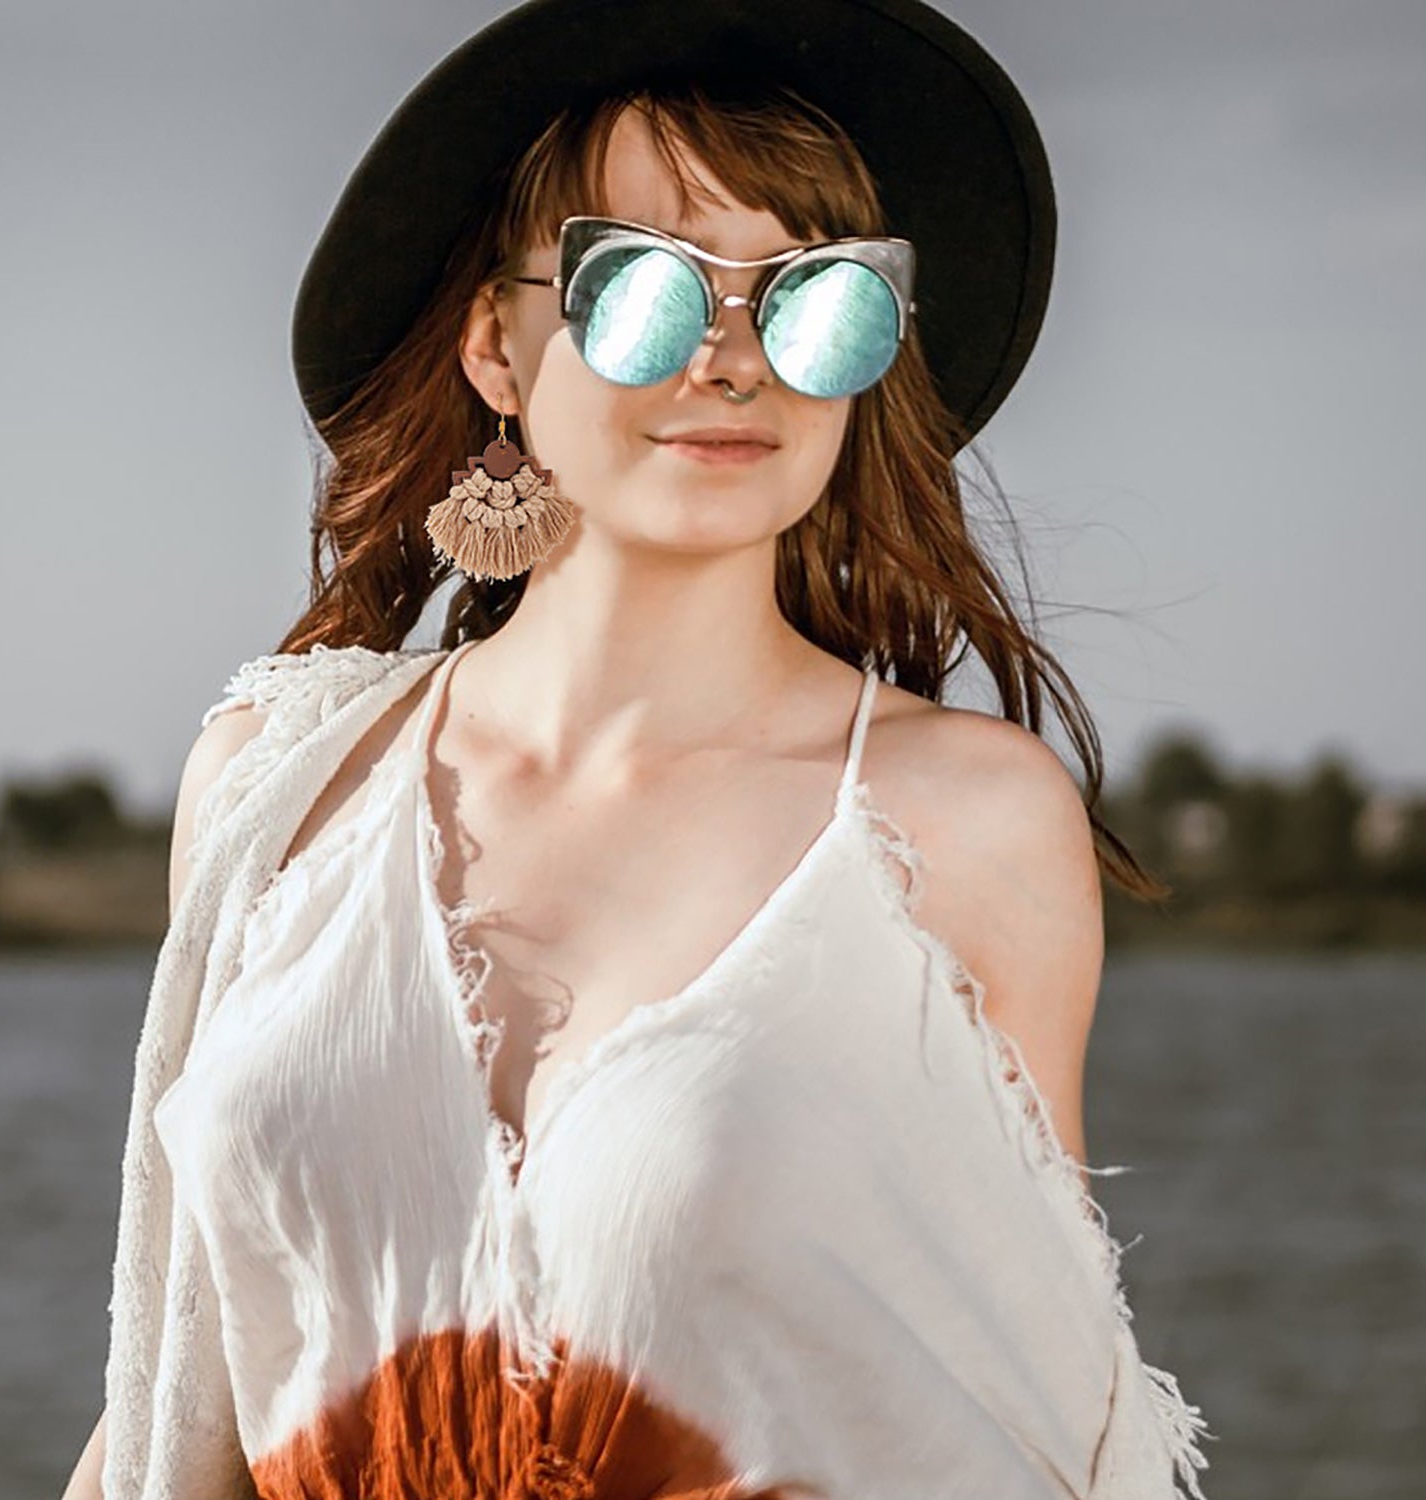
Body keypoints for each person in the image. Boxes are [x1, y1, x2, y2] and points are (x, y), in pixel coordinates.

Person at [63, 2, 1213, 1497]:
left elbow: (1043, 1407)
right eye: (648, 290)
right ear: (494, 344)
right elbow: (168, 1386)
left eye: (815, 298)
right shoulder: (277, 783)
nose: (737, 363)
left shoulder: (965, 824)